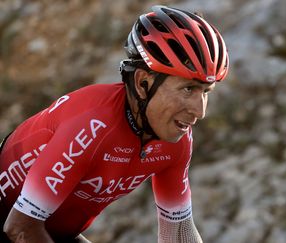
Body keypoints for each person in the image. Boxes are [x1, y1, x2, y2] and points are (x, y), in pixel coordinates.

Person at [0, 5, 229, 243]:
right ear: (143, 83)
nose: (200, 111)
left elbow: (179, 235)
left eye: (205, 92)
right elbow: (20, 229)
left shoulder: (176, 140)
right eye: (188, 89)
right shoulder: (92, 123)